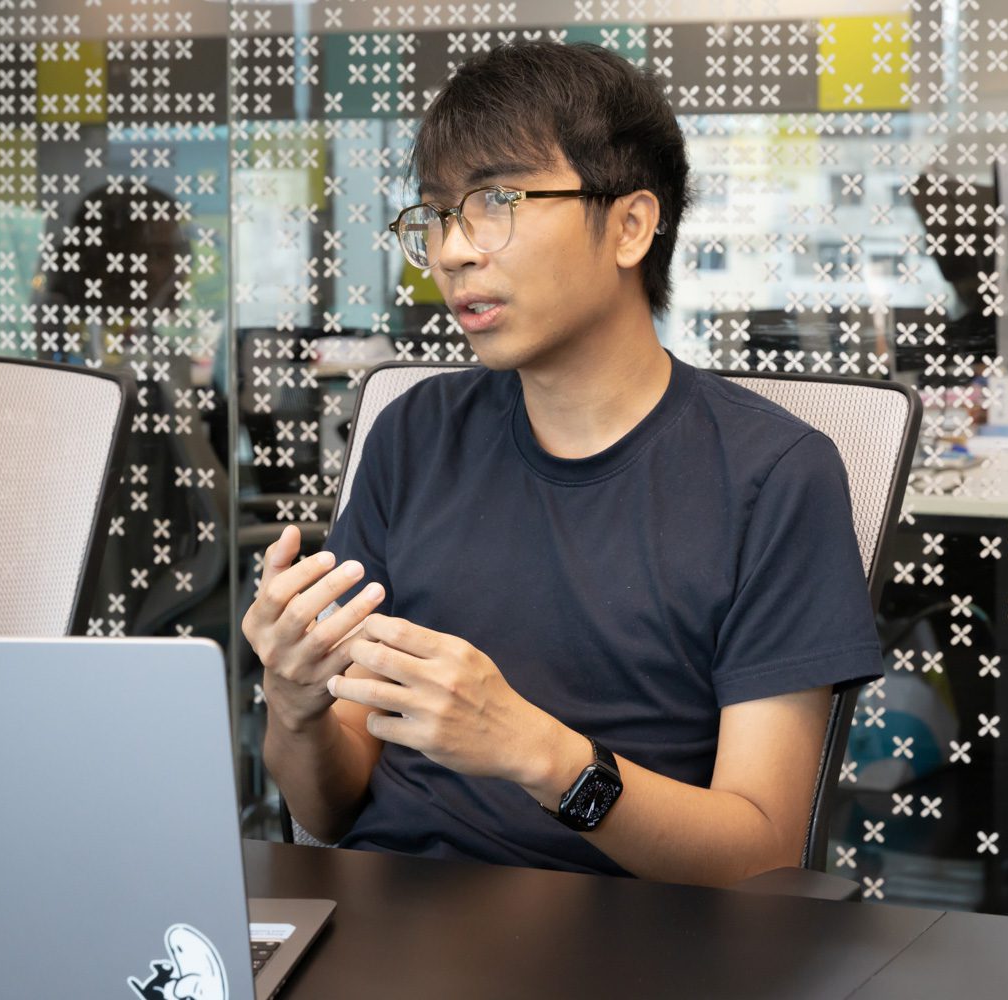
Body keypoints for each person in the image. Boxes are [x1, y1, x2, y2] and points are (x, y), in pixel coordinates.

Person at [241, 42, 883, 887]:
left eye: (496, 201)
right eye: (436, 214)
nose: (452, 250)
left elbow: (761, 853)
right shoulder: (413, 435)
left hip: (625, 933)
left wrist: (540, 755)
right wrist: (295, 708)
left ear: (630, 226)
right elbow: (329, 809)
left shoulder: (773, 476)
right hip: (388, 913)